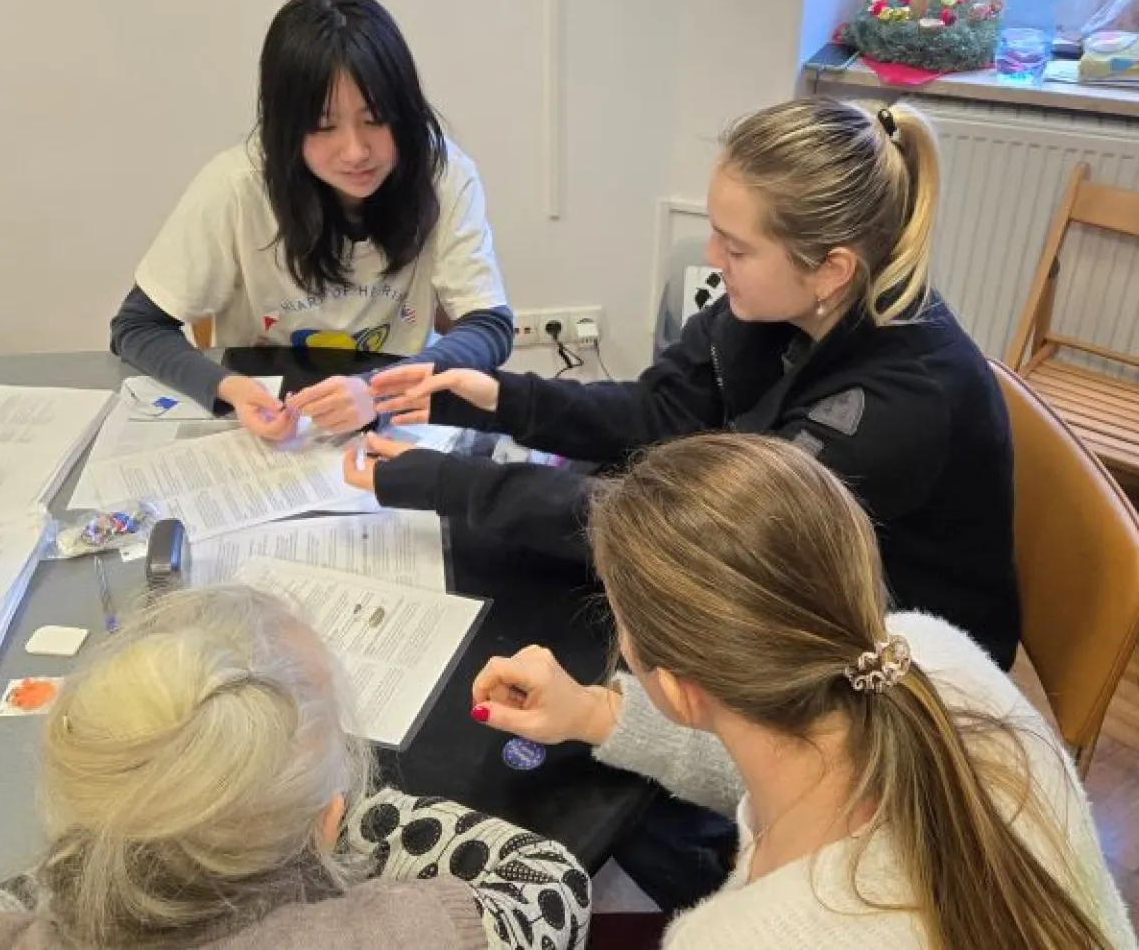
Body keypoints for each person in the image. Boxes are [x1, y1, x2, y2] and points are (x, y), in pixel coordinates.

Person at [351, 96, 1018, 667]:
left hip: (903, 663)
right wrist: (500, 398)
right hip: (785, 579)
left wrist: (448, 483)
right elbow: (659, 411)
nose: (711, 257)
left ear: (832, 268)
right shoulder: (786, 304)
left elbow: (687, 539)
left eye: (736, 246)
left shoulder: (894, 411)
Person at [472, 434, 1136, 949]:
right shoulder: (922, 653)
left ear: (677, 688)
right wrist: (595, 711)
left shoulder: (735, 937)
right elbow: (779, 745)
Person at [0, 588, 589, 950]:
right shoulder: (420, 933)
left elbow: (22, 893)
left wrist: (124, 824)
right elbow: (548, 878)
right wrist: (345, 811)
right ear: (328, 821)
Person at [110, 0, 513, 442]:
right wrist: (228, 389)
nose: (356, 151)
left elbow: (490, 326)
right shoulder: (238, 185)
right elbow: (136, 327)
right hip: (270, 421)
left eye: (376, 118)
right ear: (286, 126)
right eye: (324, 126)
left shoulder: (442, 173)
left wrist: (376, 393)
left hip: (392, 409)